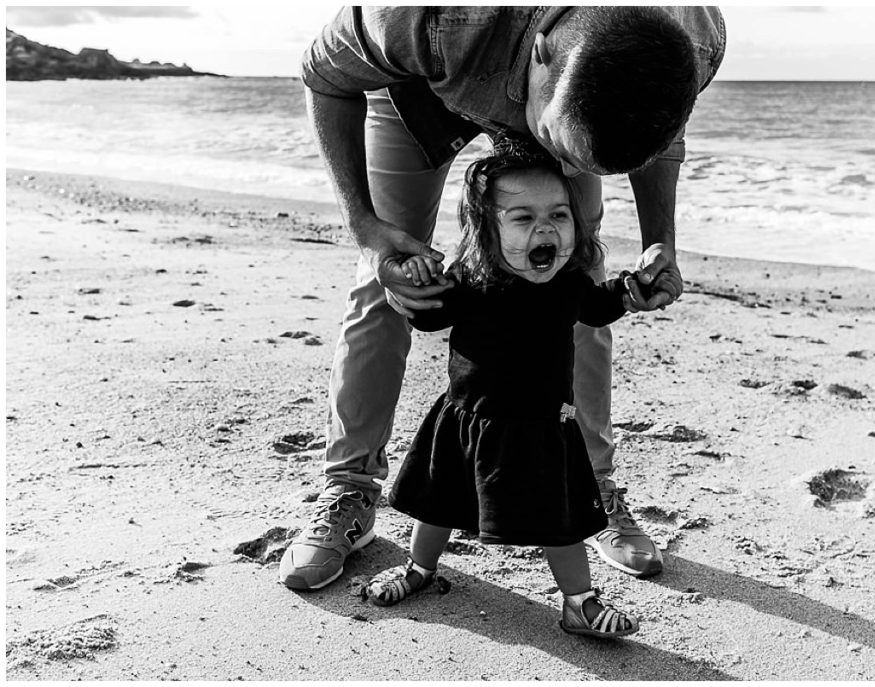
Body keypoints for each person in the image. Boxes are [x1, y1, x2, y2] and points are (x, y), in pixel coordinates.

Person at [280, 6, 726, 591]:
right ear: (542, 51)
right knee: (384, 278)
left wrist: (658, 242)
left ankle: (592, 487)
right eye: (562, 148)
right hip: (426, 82)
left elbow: (659, 134)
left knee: (579, 277)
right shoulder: (425, 15)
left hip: (569, 93)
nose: (564, 170)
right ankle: (349, 485)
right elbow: (326, 75)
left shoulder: (691, 33)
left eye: (580, 166)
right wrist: (366, 228)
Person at [366, 137, 640, 639]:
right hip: (470, 417)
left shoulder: (570, 283)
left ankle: (578, 602)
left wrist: (630, 290)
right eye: (522, 218)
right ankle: (419, 569)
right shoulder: (470, 281)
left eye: (559, 215)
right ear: (486, 230)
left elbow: (599, 308)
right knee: (438, 505)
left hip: (542, 425)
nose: (546, 229)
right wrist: (417, 275)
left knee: (560, 522)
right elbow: (430, 319)